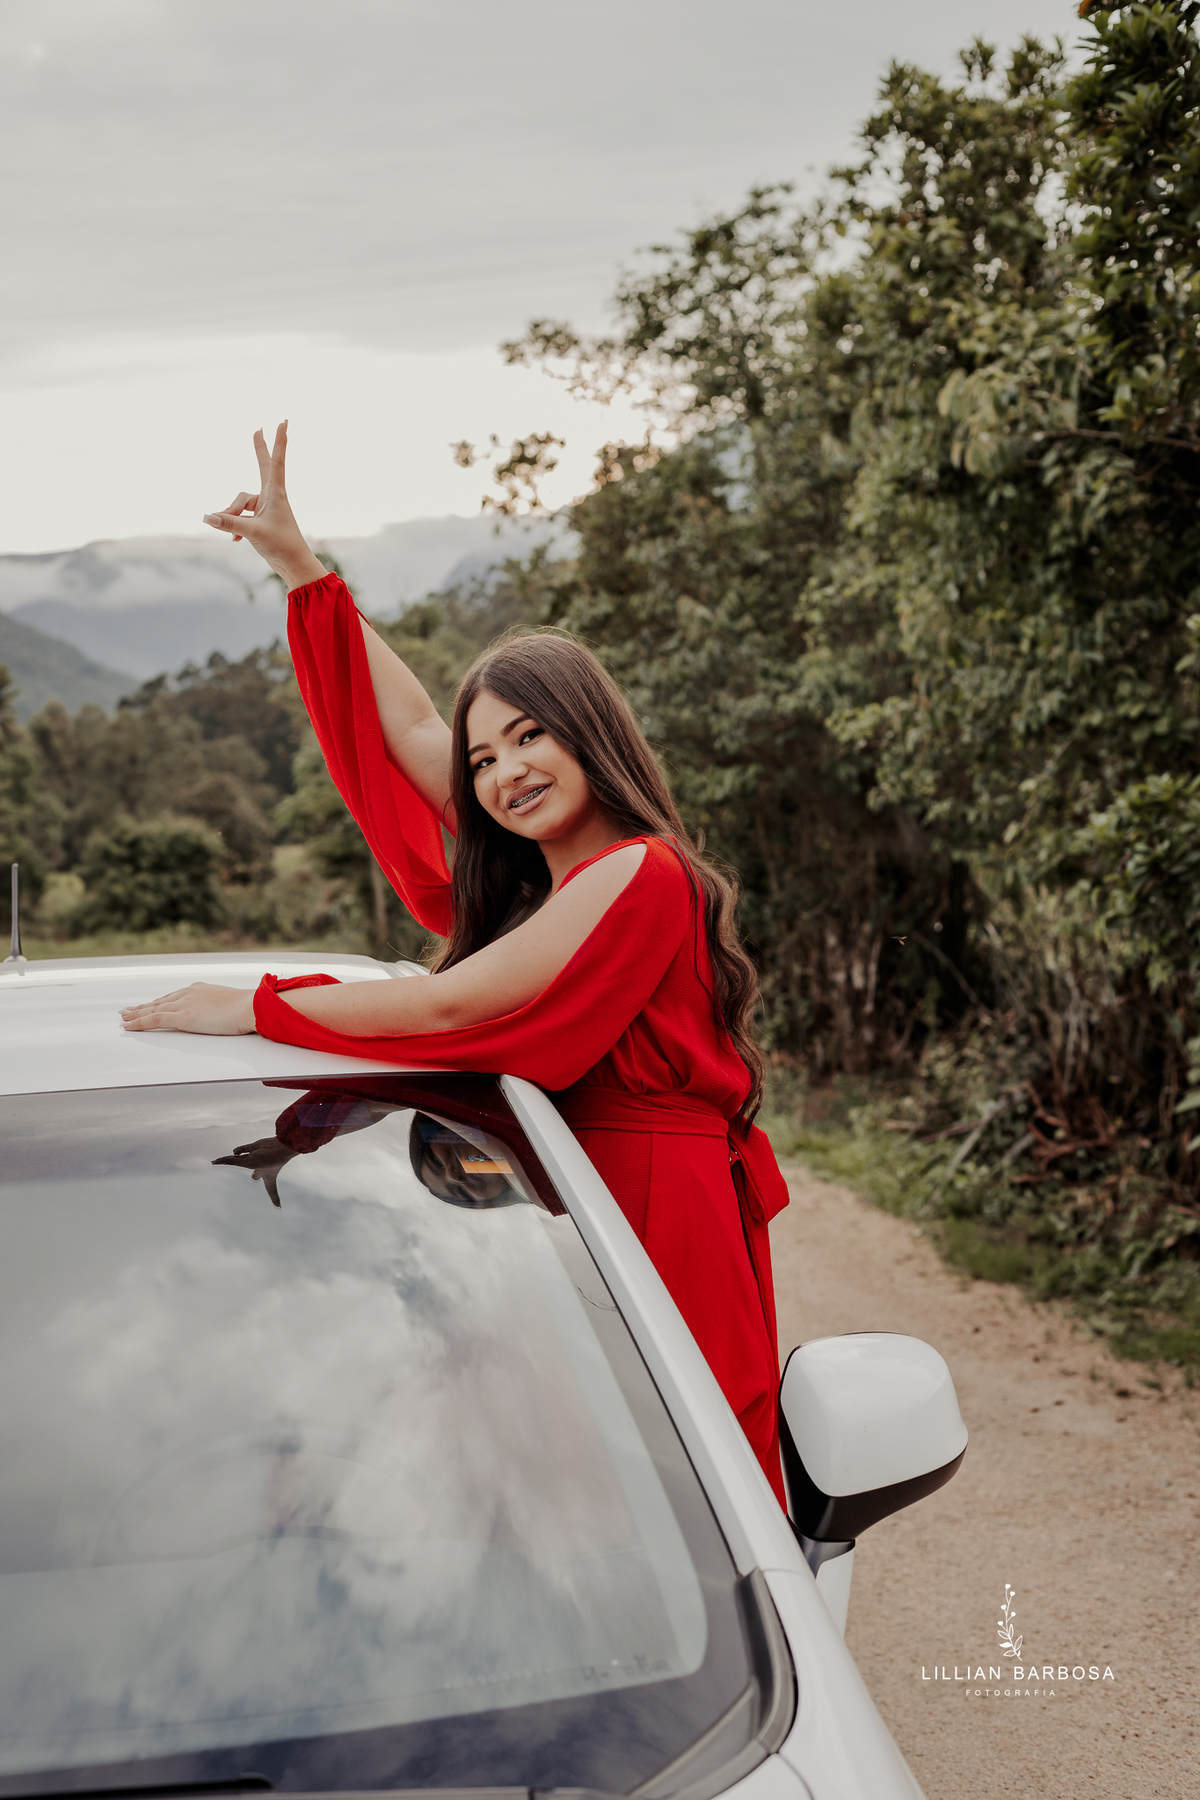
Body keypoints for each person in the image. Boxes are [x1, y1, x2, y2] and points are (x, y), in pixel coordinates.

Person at [121, 423, 791, 1505]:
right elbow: (415, 721)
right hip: (572, 1202)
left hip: (658, 1209)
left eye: (531, 737)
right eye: (486, 760)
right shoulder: (546, 883)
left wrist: (253, 1005)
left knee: (675, 1483)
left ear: (590, 733)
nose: (505, 771)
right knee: (573, 1474)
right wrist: (303, 570)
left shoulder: (643, 874)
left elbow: (458, 1006)